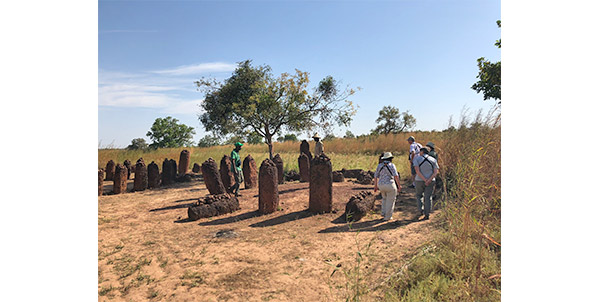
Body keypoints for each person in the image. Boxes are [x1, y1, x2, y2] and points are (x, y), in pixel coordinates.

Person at [374, 152, 401, 221]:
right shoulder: (392, 165)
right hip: (390, 184)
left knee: (384, 199)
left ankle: (383, 213)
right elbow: (396, 176)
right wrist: (399, 185)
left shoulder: (379, 165)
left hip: (381, 185)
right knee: (391, 200)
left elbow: (376, 176)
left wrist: (375, 186)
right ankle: (388, 216)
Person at [413, 147, 439, 220]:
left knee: (419, 195)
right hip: (431, 181)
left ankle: (420, 210)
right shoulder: (433, 159)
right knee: (428, 197)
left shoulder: (417, 159)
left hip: (419, 180)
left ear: (422, 152)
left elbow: (417, 171)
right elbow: (435, 172)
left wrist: (424, 179)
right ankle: (427, 214)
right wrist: (429, 180)